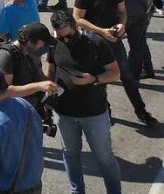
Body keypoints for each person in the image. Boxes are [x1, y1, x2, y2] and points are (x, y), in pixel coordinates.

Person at [73, 0, 158, 127]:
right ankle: (105, 111)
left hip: (113, 39)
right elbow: (77, 19)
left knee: (127, 76)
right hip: (94, 42)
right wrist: (101, 30)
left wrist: (122, 25)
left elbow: (122, 11)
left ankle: (141, 110)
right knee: (100, 80)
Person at [47, 10, 123, 194]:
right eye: (61, 36)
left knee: (104, 158)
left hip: (94, 114)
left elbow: (115, 73)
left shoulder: (95, 43)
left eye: (68, 35)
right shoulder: (55, 44)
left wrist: (93, 79)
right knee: (70, 155)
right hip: (64, 114)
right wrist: (48, 94)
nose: (65, 40)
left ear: (75, 26)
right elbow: (51, 70)